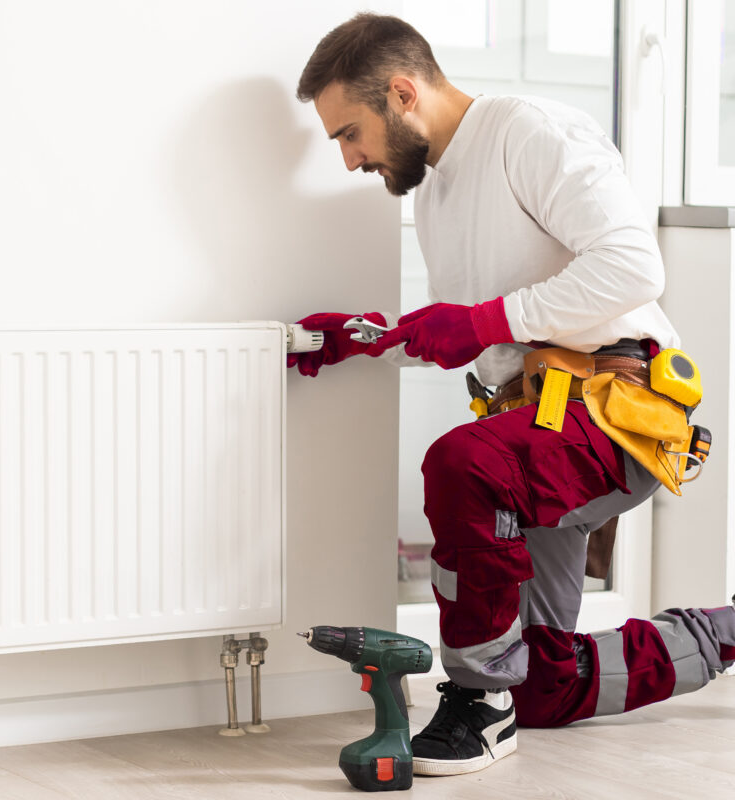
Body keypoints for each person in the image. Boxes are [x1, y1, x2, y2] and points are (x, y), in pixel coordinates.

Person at [290, 12, 735, 777]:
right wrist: (369, 340)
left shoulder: (531, 133)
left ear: (402, 92)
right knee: (542, 683)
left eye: (349, 132)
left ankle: (475, 703)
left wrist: (485, 320)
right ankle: (721, 633)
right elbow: (480, 336)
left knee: (462, 464)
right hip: (530, 423)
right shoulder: (433, 197)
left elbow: (633, 268)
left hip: (615, 405)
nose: (350, 158)